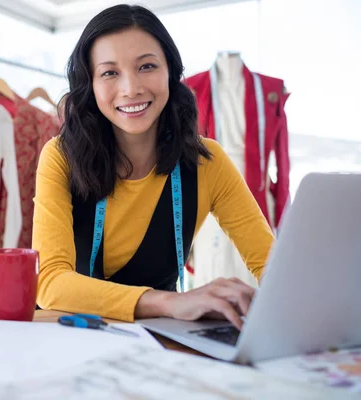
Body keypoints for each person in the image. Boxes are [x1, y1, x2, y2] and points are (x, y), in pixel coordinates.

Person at [32, 4, 274, 330]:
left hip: (160, 343)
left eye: (147, 66)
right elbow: (50, 284)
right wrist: (171, 301)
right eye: (109, 72)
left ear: (170, 73)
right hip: (72, 338)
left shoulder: (207, 162)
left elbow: (274, 266)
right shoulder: (61, 157)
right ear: (89, 84)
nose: (131, 88)